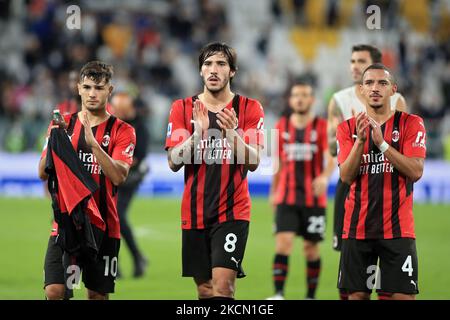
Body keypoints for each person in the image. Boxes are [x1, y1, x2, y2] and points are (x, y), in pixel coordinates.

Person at [165, 42, 264, 300]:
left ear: (232, 71)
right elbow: (173, 162)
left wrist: (231, 134)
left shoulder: (250, 108)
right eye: (208, 64)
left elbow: (253, 161)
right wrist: (197, 135)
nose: (213, 69)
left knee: (223, 288)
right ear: (200, 71)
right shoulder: (182, 108)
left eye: (221, 64)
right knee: (205, 290)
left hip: (233, 210)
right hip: (194, 211)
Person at [38, 61, 136, 300]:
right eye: (88, 87)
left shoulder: (123, 131)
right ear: (79, 88)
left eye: (99, 88)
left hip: (105, 226)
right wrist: (53, 140)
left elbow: (119, 176)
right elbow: (42, 172)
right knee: (55, 291)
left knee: (96, 296)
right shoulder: (62, 124)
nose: (93, 93)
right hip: (66, 224)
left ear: (109, 91)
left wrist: (93, 144)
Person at [336, 63, 426, 300]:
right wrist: (360, 141)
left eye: (382, 83)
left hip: (398, 233)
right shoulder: (346, 128)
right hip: (357, 230)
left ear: (393, 90)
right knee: (357, 297)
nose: (375, 88)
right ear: (362, 90)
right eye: (369, 83)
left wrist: (383, 145)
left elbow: (416, 171)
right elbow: (345, 176)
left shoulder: (411, 123)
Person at [327, 44, 407, 300]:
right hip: (352, 185)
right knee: (350, 274)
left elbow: (402, 142)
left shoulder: (397, 101)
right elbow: (330, 147)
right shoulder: (339, 99)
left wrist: (379, 138)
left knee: (389, 276)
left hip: (388, 185)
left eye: (360, 61)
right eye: (352, 61)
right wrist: (348, 135)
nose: (354, 66)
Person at [267, 81, 335, 300]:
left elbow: (331, 156)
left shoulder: (321, 126)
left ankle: (310, 296)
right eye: (296, 95)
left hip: (314, 199)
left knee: (311, 249)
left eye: (304, 95)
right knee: (283, 243)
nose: (299, 99)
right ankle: (278, 294)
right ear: (290, 99)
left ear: (312, 99)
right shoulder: (281, 125)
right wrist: (273, 192)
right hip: (286, 196)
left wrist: (324, 177)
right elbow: (277, 163)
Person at [111, 92, 150, 278]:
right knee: (109, 217)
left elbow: (138, 156)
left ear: (129, 108)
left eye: (119, 110)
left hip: (129, 180)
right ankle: (125, 261)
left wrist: (115, 161)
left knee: (116, 215)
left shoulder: (140, 127)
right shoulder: (115, 124)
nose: (116, 113)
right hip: (112, 176)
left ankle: (132, 259)